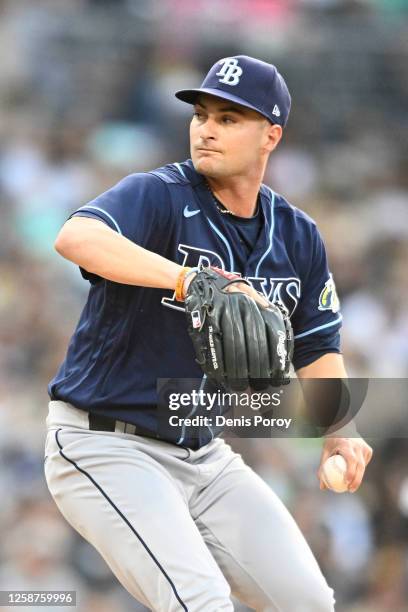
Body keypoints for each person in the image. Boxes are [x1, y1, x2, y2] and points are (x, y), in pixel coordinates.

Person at [44, 55, 372, 611]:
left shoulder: (297, 235)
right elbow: (76, 237)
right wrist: (183, 278)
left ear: (271, 135)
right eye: (201, 115)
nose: (207, 129)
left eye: (228, 118)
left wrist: (341, 428)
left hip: (206, 457)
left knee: (310, 604)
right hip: (105, 443)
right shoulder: (161, 194)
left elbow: (316, 344)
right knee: (199, 601)